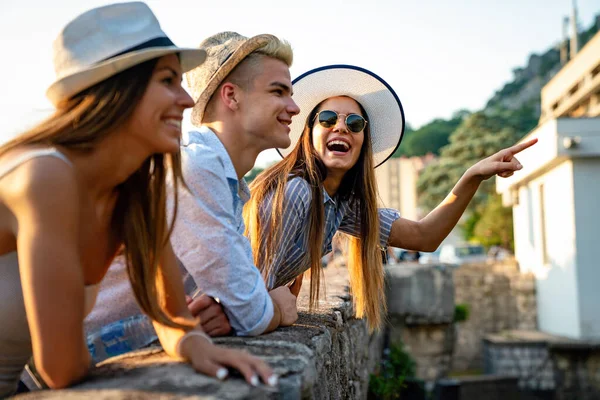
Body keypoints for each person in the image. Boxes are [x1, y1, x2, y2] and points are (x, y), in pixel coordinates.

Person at [0, 4, 274, 396]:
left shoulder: (136, 189)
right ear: (117, 92)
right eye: (167, 81)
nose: (186, 100)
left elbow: (171, 315)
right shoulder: (46, 176)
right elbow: (61, 367)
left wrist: (197, 347)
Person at [244, 65, 537, 330]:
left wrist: (472, 176)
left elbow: (424, 238)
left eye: (355, 123)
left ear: (363, 142)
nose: (342, 126)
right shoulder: (296, 191)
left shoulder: (339, 206)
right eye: (328, 118)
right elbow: (248, 296)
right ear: (308, 133)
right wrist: (282, 310)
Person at [84, 31, 301, 361]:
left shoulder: (218, 175)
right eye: (278, 92)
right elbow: (252, 311)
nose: (294, 107)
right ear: (231, 96)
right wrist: (276, 307)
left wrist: (227, 307)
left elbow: (234, 299)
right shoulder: (197, 167)